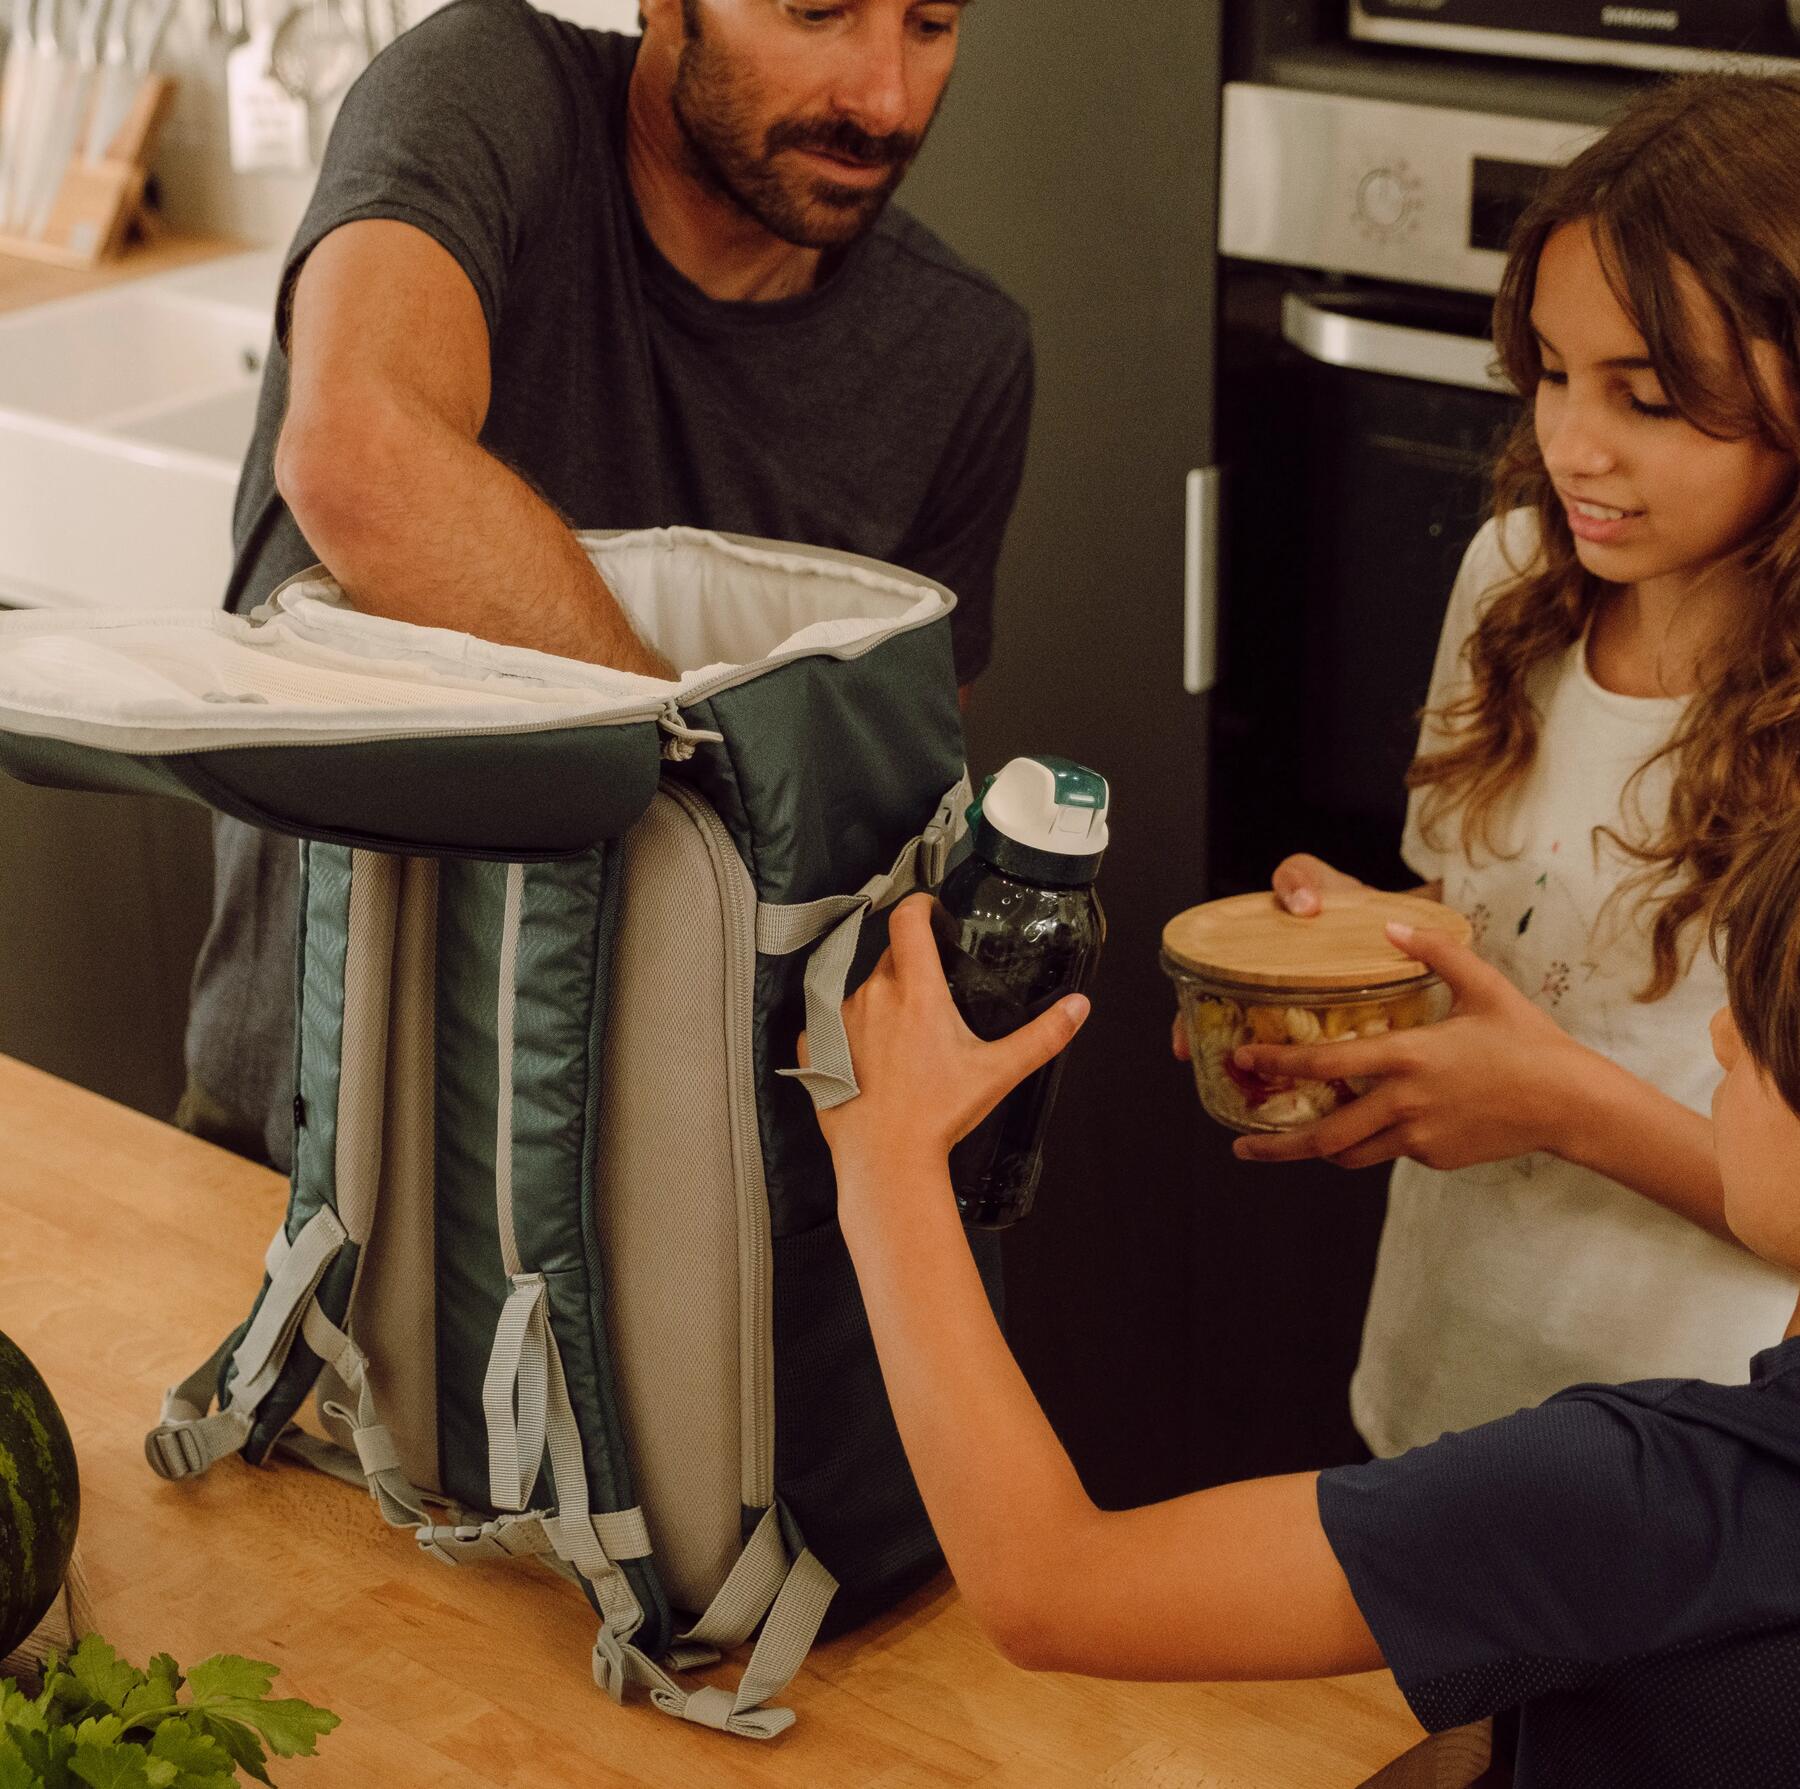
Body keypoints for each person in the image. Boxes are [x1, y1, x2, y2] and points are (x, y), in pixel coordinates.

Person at [180, 0, 1033, 1171]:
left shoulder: (960, 353)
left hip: (693, 1188)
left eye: (930, 23)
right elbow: (360, 457)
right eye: (817, 10)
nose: (883, 99)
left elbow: (892, 813)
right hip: (316, 1130)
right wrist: (698, 773)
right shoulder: (487, 90)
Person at [803, 814, 1800, 1783]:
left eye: (1763, 1025)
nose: (1721, 1034)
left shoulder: (1639, 1501)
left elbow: (1046, 1586)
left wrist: (890, 1157)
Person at [1191, 73, 1800, 1456]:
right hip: (1448, 1377)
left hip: (1695, 1457)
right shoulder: (1515, 575)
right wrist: (1351, 970)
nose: (1568, 445)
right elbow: (1497, 929)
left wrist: (1558, 1109)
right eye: (1553, 372)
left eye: (1649, 399)